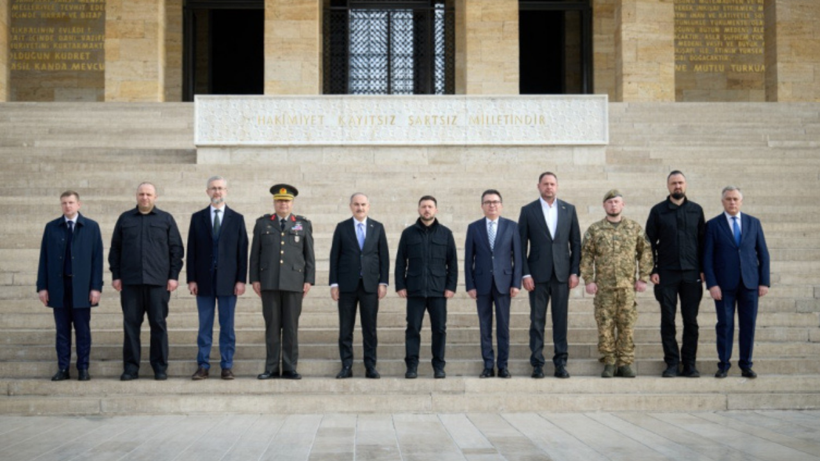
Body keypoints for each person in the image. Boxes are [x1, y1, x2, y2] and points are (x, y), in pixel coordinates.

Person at [109, 182, 184, 381]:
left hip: (158, 283)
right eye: (141, 194)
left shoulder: (166, 219)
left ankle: (159, 367)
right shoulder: (125, 219)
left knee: (158, 324)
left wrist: (173, 276)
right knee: (131, 325)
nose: (145, 197)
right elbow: (115, 249)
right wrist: (116, 275)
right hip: (131, 283)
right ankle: (131, 368)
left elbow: (176, 250)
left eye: (148, 194)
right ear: (136, 196)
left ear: (155, 197)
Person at [581, 190, 653, 378]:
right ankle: (609, 362)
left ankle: (625, 362)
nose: (613, 205)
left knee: (626, 326)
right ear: (604, 206)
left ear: (623, 205)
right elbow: (586, 256)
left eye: (617, 202)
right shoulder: (595, 230)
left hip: (627, 288)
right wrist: (589, 280)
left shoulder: (633, 228)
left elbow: (645, 251)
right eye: (610, 202)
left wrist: (643, 277)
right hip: (603, 289)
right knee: (605, 326)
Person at [518, 172, 581, 379]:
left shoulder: (568, 210)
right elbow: (520, 245)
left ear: (557, 186)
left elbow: (576, 244)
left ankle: (560, 363)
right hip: (537, 276)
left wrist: (574, 271)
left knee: (560, 321)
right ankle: (537, 364)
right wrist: (525, 273)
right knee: (537, 321)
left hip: (562, 275)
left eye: (552, 184)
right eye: (545, 184)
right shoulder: (528, 211)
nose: (549, 187)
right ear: (538, 186)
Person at [36, 191, 103, 381]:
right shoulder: (51, 228)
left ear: (79, 204)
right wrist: (42, 286)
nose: (68, 206)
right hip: (59, 287)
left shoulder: (91, 227)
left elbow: (96, 259)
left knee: (83, 330)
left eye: (71, 202)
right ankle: (63, 368)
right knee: (62, 331)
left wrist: (96, 287)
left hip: (82, 287)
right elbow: (44, 259)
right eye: (64, 203)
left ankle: (83, 369)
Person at [703, 186, 770, 379]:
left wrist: (764, 281)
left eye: (735, 199)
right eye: (728, 199)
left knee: (748, 324)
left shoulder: (753, 223)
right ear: (722, 202)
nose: (732, 202)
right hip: (724, 285)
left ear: (741, 201)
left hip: (750, 283)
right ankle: (723, 364)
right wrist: (712, 284)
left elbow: (763, 254)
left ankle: (746, 364)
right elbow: (707, 258)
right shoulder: (713, 225)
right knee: (725, 324)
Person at [250, 184, 315, 380]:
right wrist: (254, 278)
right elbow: (255, 254)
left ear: (292, 203)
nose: (283, 204)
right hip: (269, 281)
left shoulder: (302, 224)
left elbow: (309, 255)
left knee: (290, 327)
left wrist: (309, 279)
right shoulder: (263, 224)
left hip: (294, 282)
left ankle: (289, 367)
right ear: (274, 202)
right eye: (279, 200)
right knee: (272, 327)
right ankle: (271, 367)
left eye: (286, 201)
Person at [187, 176, 248, 380]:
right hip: (203, 280)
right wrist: (191, 279)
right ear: (207, 192)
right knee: (204, 325)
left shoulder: (237, 219)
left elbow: (242, 251)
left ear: (227, 191)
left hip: (228, 282)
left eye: (221, 188)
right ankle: (203, 365)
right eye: (213, 188)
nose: (217, 192)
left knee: (227, 326)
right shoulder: (197, 218)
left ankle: (226, 365)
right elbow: (192, 250)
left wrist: (241, 279)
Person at [646, 170, 706, 378]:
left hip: (691, 274)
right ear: (668, 186)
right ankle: (671, 363)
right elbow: (649, 244)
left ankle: (689, 364)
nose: (677, 186)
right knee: (668, 320)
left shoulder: (696, 210)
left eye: (680, 183)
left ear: (685, 185)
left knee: (691, 320)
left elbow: (703, 242)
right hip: (666, 274)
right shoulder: (658, 211)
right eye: (673, 183)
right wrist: (653, 269)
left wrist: (703, 269)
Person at [395, 195, 457, 379]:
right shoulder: (408, 234)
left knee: (439, 329)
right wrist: (400, 285)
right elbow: (400, 262)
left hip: (439, 290)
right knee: (413, 328)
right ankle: (412, 366)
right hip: (414, 289)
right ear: (418, 209)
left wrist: (451, 286)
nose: (427, 210)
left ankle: (438, 366)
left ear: (436, 210)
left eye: (430, 206)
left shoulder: (446, 233)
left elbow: (452, 263)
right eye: (423, 206)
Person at [329, 193, 390, 379]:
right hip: (347, 286)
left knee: (369, 329)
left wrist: (383, 282)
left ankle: (370, 366)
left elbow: (384, 257)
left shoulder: (377, 227)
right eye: (356, 204)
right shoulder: (342, 227)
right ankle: (347, 365)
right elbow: (334, 257)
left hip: (370, 286)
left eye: (363, 204)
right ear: (350, 206)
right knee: (345, 329)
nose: (360, 208)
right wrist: (334, 283)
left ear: (368, 206)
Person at [464, 189, 522, 379]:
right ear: (482, 206)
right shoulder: (474, 228)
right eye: (488, 202)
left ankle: (503, 366)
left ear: (501, 205)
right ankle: (488, 365)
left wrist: (516, 283)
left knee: (503, 326)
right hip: (481, 284)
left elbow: (518, 258)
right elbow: (468, 259)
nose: (492, 205)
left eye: (495, 202)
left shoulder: (512, 226)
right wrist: (470, 285)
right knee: (485, 326)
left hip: (504, 284)